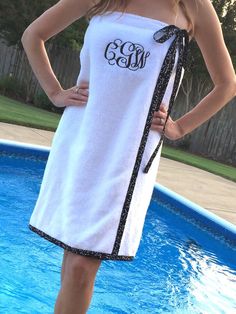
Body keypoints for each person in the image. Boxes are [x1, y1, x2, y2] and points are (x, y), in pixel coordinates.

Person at [21, 0, 236, 313]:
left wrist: (179, 128)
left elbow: (227, 84)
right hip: (80, 142)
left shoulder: (194, 7)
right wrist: (55, 92)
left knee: (82, 265)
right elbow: (33, 35)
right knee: (72, 262)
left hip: (128, 158)